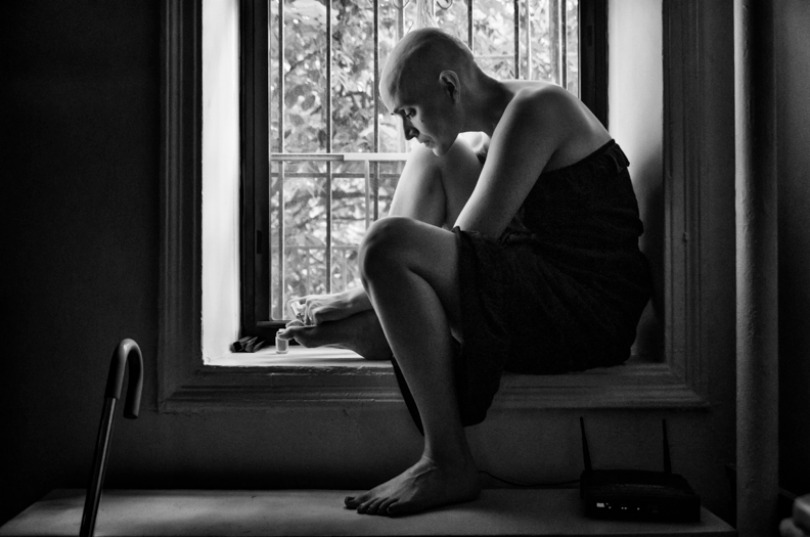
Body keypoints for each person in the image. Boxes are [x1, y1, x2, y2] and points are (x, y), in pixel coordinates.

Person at [277, 27, 652, 517]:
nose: (406, 130)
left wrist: (359, 291)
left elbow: (473, 244)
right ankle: (372, 322)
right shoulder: (489, 134)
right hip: (537, 286)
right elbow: (472, 257)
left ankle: (446, 459)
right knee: (435, 158)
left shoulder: (538, 107)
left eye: (409, 112)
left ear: (450, 86)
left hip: (585, 311)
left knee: (386, 243)